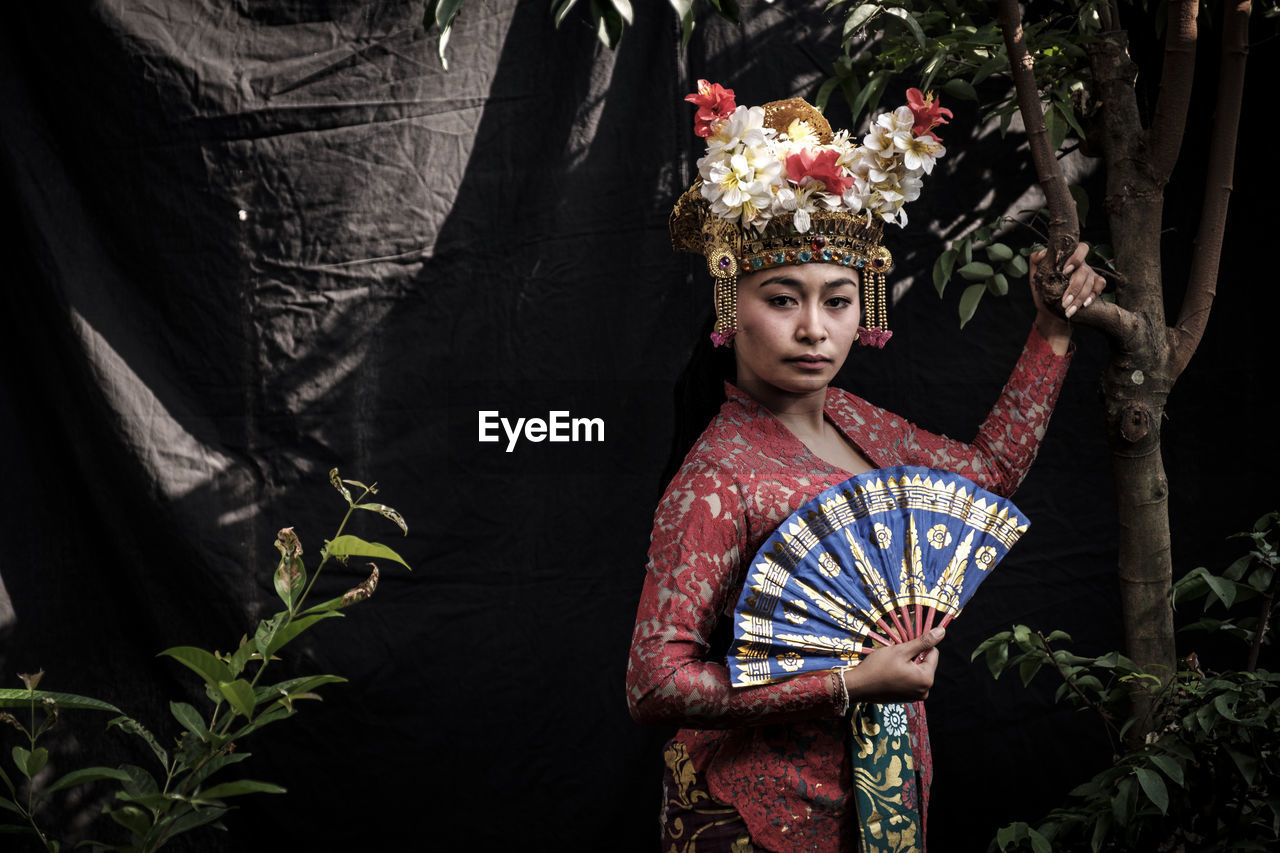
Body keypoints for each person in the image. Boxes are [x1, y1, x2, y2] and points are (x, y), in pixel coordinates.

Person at [625, 83, 1104, 853]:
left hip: (881, 798)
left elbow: (987, 474)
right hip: (749, 821)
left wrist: (1050, 329)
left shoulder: (857, 419)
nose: (814, 329)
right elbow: (655, 681)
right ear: (729, 303)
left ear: (864, 306)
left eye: (838, 300)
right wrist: (850, 683)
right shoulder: (719, 475)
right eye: (783, 299)